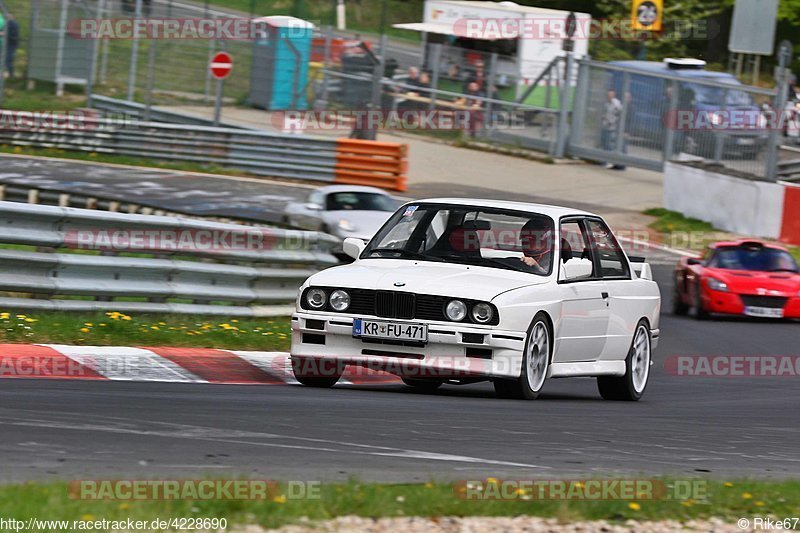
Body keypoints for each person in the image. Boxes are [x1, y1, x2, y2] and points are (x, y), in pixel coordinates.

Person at [600, 90, 622, 168]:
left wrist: (612, 122)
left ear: (613, 95)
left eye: (611, 95)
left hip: (612, 127)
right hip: (605, 126)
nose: (609, 96)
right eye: (608, 94)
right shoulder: (606, 103)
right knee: (604, 144)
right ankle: (604, 161)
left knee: (609, 145)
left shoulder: (616, 104)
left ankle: (610, 161)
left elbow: (619, 115)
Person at [4, 13, 20, 80]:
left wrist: (4, 34)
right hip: (7, 44)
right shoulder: (7, 24)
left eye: (8, 17)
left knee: (8, 58)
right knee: (9, 59)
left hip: (12, 44)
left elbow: (12, 35)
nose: (7, 18)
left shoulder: (14, 24)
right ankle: (11, 75)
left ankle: (10, 74)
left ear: (12, 17)